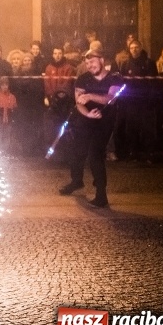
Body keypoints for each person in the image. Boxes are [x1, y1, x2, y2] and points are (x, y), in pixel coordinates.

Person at [58, 46, 123, 208]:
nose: (90, 66)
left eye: (92, 62)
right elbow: (79, 102)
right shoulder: (82, 79)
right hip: (86, 118)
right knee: (77, 150)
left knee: (95, 154)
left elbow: (111, 98)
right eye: (87, 63)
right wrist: (88, 114)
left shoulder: (114, 77)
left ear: (102, 60)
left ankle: (101, 194)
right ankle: (76, 181)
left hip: (104, 121)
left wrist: (90, 96)